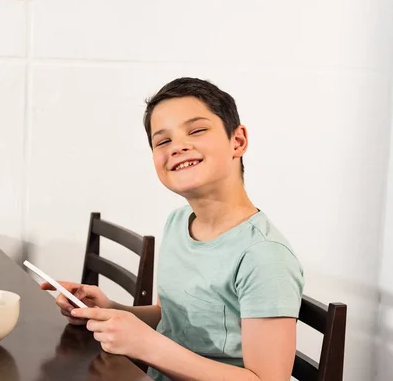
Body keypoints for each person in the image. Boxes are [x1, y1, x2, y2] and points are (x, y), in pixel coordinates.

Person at [40, 77, 305, 381]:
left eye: (197, 130)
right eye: (163, 141)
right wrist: (112, 310)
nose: (178, 146)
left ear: (238, 141)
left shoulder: (263, 256)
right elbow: (173, 319)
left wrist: (148, 347)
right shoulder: (179, 222)